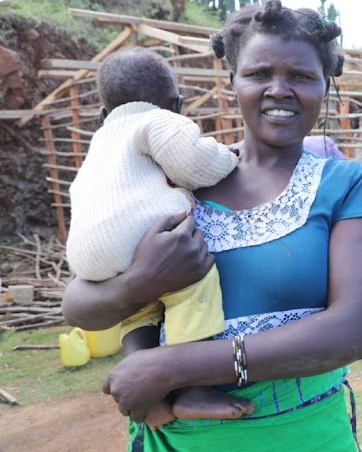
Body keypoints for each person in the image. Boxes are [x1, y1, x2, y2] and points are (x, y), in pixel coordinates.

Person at [61, 0, 362, 450]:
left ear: (325, 85)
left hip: (300, 436)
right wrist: (140, 281)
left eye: (301, 76)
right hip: (173, 440)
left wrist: (171, 368)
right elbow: (80, 305)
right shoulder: (178, 179)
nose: (279, 89)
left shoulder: (347, 186)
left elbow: (350, 333)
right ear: (232, 81)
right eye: (259, 74)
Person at [66, 47, 248, 429]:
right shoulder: (158, 120)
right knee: (192, 282)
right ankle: (192, 387)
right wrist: (231, 157)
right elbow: (194, 162)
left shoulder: (101, 141)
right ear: (176, 104)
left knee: (141, 310)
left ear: (103, 114)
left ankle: (152, 399)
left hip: (89, 252)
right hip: (142, 234)